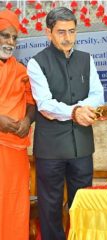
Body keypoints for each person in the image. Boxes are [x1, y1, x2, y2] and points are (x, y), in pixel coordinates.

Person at [27, 7, 104, 240]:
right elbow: (45, 105)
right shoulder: (36, 62)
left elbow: (97, 95)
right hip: (50, 149)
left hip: (81, 145)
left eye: (72, 31)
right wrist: (76, 111)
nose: (67, 37)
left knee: (83, 202)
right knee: (50, 206)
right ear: (48, 33)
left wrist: (81, 110)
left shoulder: (86, 59)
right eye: (61, 32)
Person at [0, 10, 35, 240]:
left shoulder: (22, 70)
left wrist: (27, 120)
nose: (10, 42)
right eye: (5, 36)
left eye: (14, 38)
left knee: (15, 203)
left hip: (16, 150)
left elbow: (32, 102)